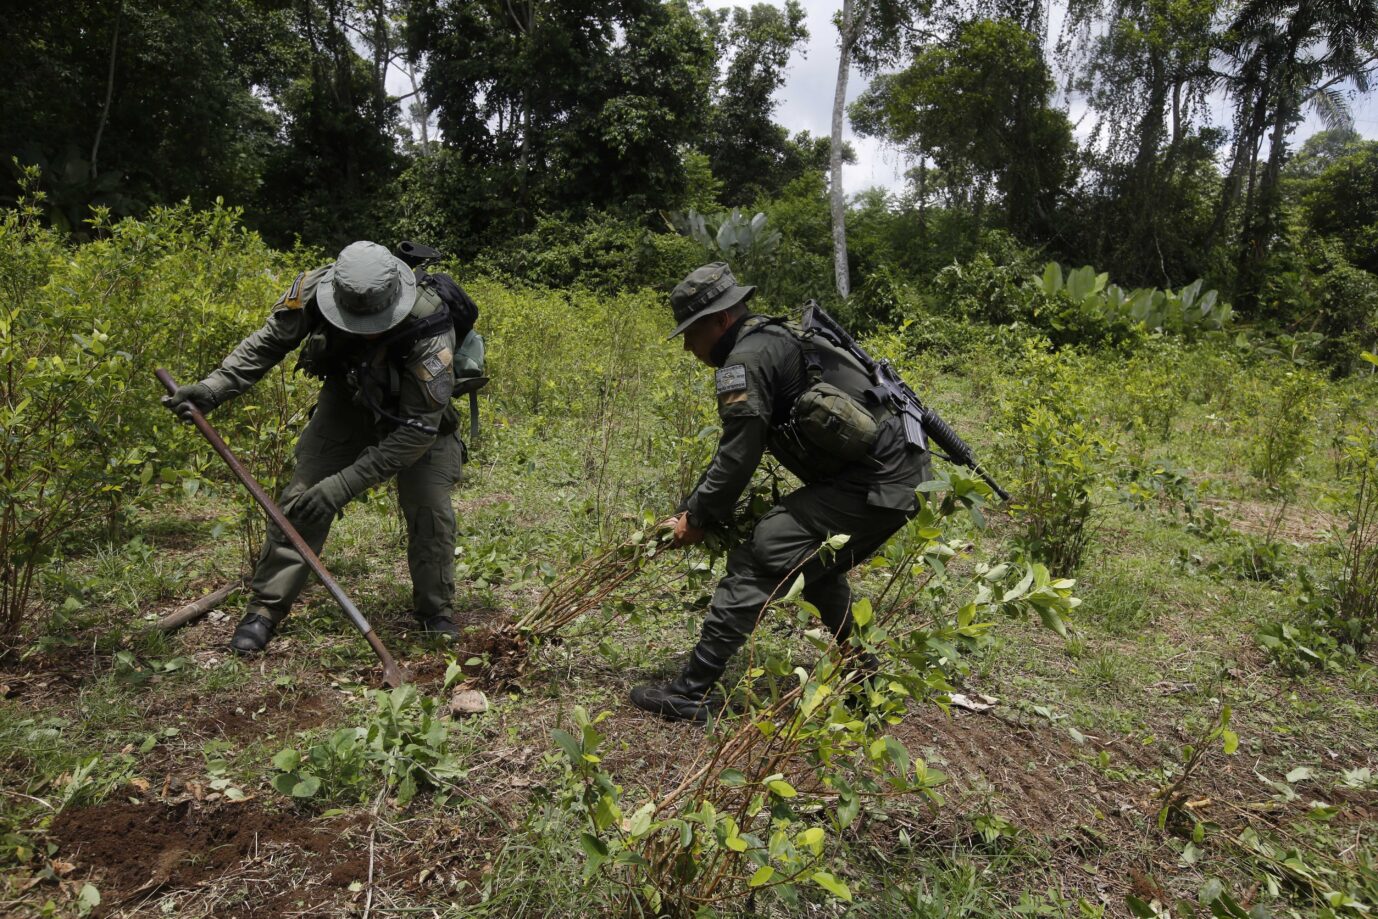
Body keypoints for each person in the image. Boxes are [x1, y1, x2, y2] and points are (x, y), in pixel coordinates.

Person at [631, 262, 932, 722]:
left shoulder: (744, 362)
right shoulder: (775, 337)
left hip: (879, 481)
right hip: (898, 471)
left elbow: (738, 455)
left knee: (764, 552)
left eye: (692, 333)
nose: (690, 347)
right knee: (818, 567)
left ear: (720, 320)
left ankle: (691, 690)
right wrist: (694, 508)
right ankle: (865, 680)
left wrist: (698, 516)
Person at [163, 241, 465, 653]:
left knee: (429, 507)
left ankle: (436, 612)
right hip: (349, 399)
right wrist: (214, 388)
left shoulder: (430, 328)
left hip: (417, 419)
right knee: (301, 499)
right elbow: (267, 343)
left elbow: (417, 429)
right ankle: (265, 610)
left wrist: (342, 487)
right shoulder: (313, 291)